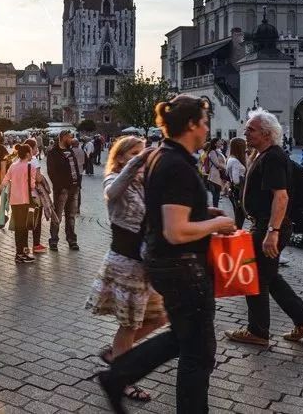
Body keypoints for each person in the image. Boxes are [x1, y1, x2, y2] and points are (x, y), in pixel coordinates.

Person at [97, 95, 236, 414]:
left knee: (183, 338)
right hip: (183, 267)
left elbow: (164, 211)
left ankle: (118, 376)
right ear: (191, 125)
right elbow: (175, 230)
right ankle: (119, 376)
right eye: (204, 121)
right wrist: (217, 222)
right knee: (198, 353)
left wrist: (201, 211)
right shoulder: (178, 165)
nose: (207, 128)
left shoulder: (162, 155)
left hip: (166, 263)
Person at [225, 109, 303, 348]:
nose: (245, 132)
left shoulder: (273, 157)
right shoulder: (262, 155)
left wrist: (272, 232)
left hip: (269, 226)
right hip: (263, 224)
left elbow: (281, 197)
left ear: (267, 134)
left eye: (251, 129)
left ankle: (258, 331)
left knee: (255, 277)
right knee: (269, 277)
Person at [87, 136, 167, 403]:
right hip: (126, 263)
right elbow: (111, 191)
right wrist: (139, 160)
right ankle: (122, 378)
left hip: (145, 264)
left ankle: (116, 353)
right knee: (129, 324)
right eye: (133, 153)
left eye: (141, 152)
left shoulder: (144, 183)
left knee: (159, 317)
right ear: (121, 157)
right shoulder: (113, 178)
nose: (140, 158)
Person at [46, 130, 83, 251]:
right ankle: (54, 240)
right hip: (62, 189)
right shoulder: (53, 153)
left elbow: (75, 168)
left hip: (74, 188)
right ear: (62, 138)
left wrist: (78, 183)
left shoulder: (71, 151)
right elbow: (51, 172)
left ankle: (72, 240)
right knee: (57, 216)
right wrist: (60, 186)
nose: (71, 139)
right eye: (69, 137)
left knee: (71, 216)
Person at [1, 143, 38, 263]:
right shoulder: (30, 166)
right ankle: (21, 254)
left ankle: (20, 252)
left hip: (14, 200)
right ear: (27, 154)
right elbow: (32, 185)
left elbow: (5, 180)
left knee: (18, 227)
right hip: (25, 200)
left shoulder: (13, 165)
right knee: (24, 227)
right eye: (31, 152)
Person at [225, 137, 248, 229]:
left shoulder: (231, 158)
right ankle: (237, 237)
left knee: (238, 217)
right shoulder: (235, 161)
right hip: (238, 192)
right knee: (239, 218)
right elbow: (236, 180)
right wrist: (246, 178)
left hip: (234, 191)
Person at [205, 137, 227, 207]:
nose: (221, 142)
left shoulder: (219, 151)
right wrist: (226, 167)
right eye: (219, 141)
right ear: (215, 144)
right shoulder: (212, 152)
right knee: (215, 197)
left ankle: (216, 211)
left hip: (218, 176)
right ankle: (215, 212)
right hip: (214, 177)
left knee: (217, 197)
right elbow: (217, 164)